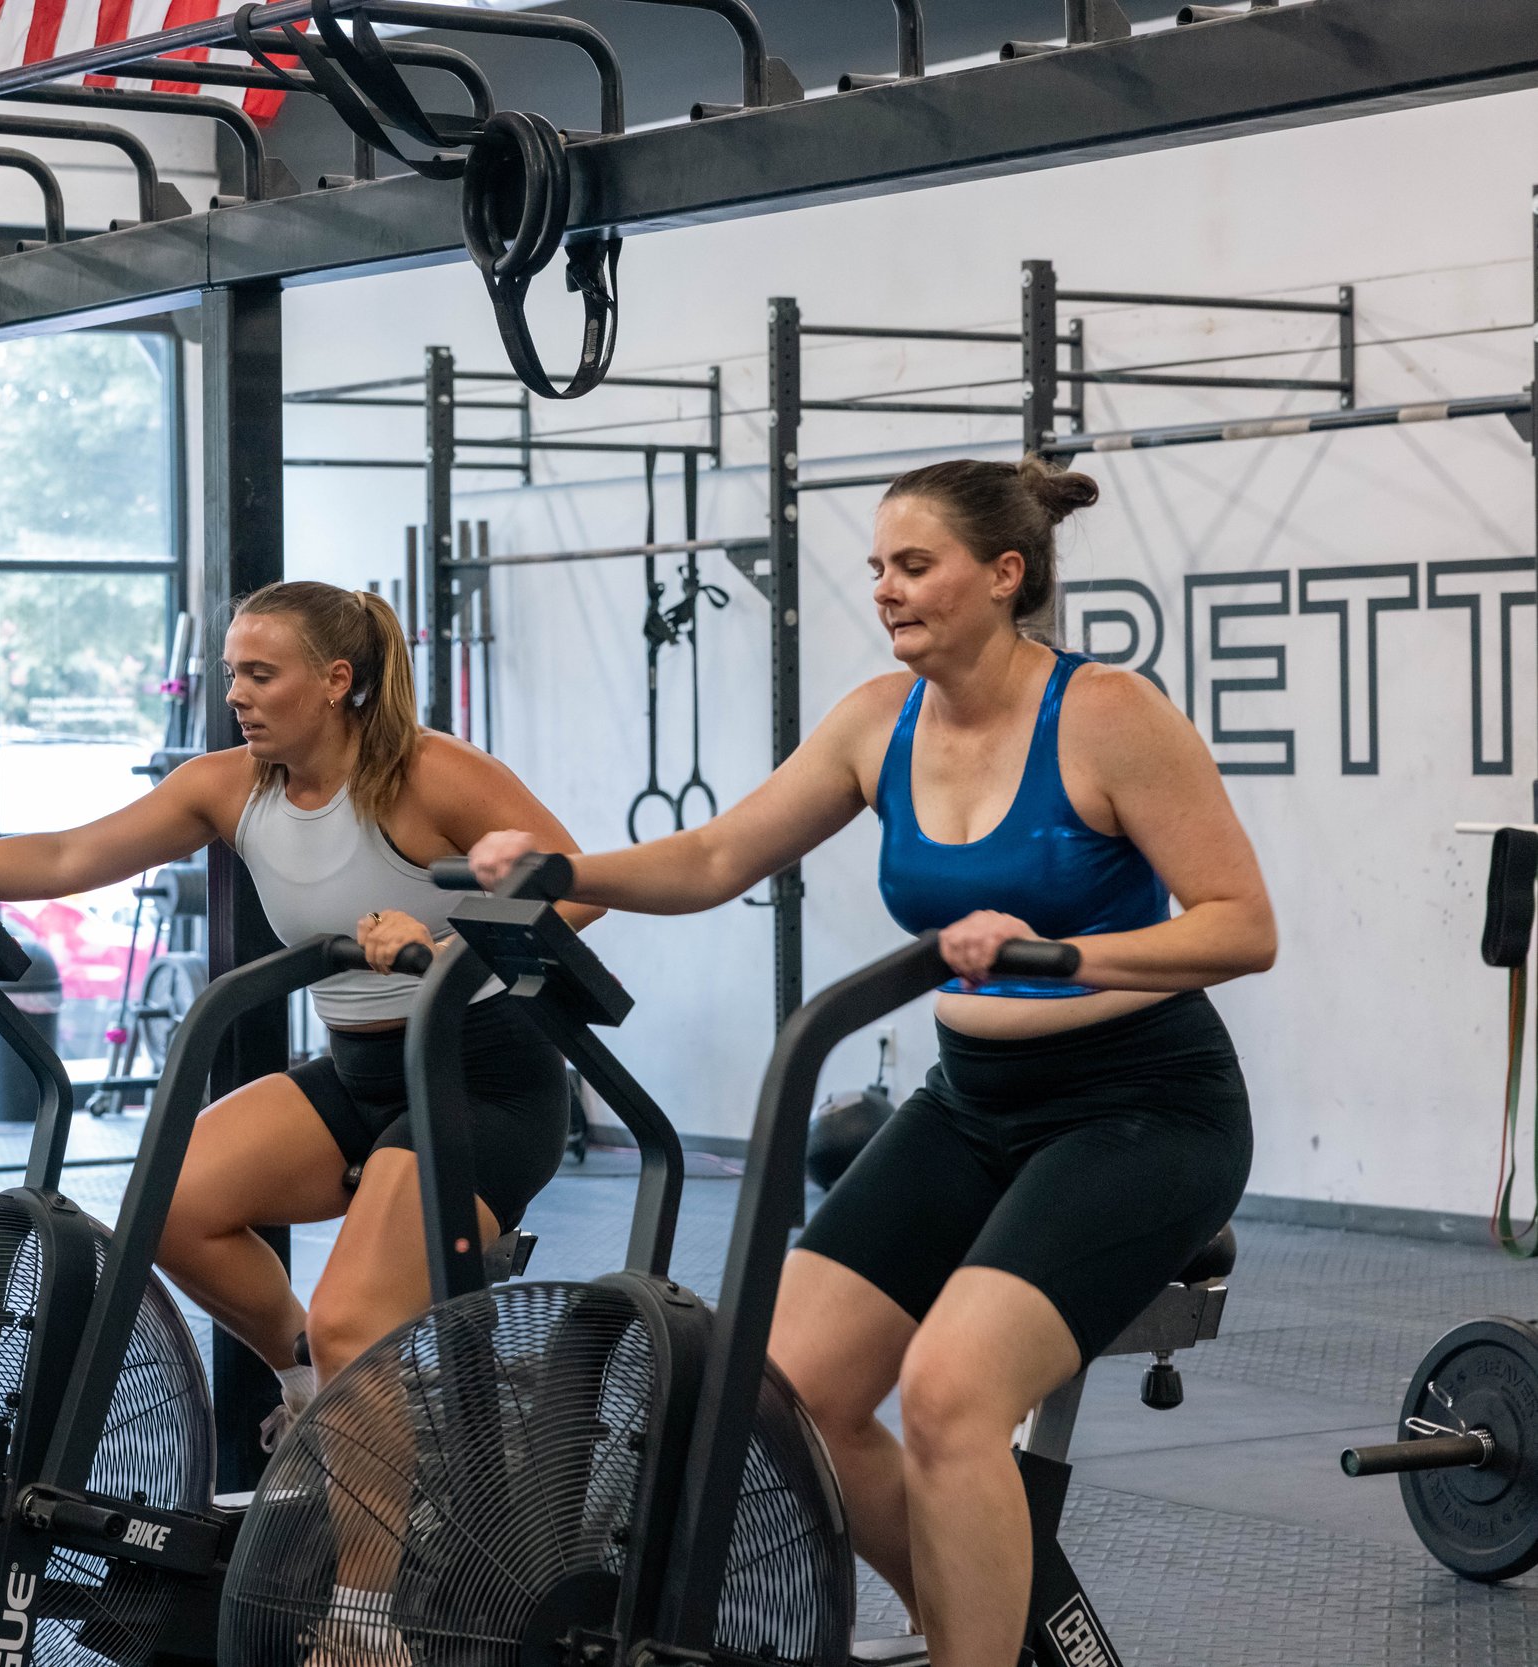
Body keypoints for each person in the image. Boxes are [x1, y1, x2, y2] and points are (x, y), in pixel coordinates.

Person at [469, 458, 1274, 1667]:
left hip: (1142, 1105)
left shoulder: (1106, 714)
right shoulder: (875, 720)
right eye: (878, 568)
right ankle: (979, 1626)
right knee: (779, 1386)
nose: (885, 589)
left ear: (1002, 574)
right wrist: (564, 873)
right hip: (970, 1102)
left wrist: (1062, 953)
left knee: (950, 1391)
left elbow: (1240, 925)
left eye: (913, 564)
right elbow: (715, 857)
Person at [0, 580, 599, 1424]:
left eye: (261, 674)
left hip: (482, 1080)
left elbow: (576, 884)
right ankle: (311, 1384)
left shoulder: (429, 771)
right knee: (171, 1203)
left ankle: (359, 1456)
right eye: (232, 673)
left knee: (352, 1324)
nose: (235, 695)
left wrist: (446, 953)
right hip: (360, 1072)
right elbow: (68, 854)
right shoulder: (229, 786)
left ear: (335, 680)